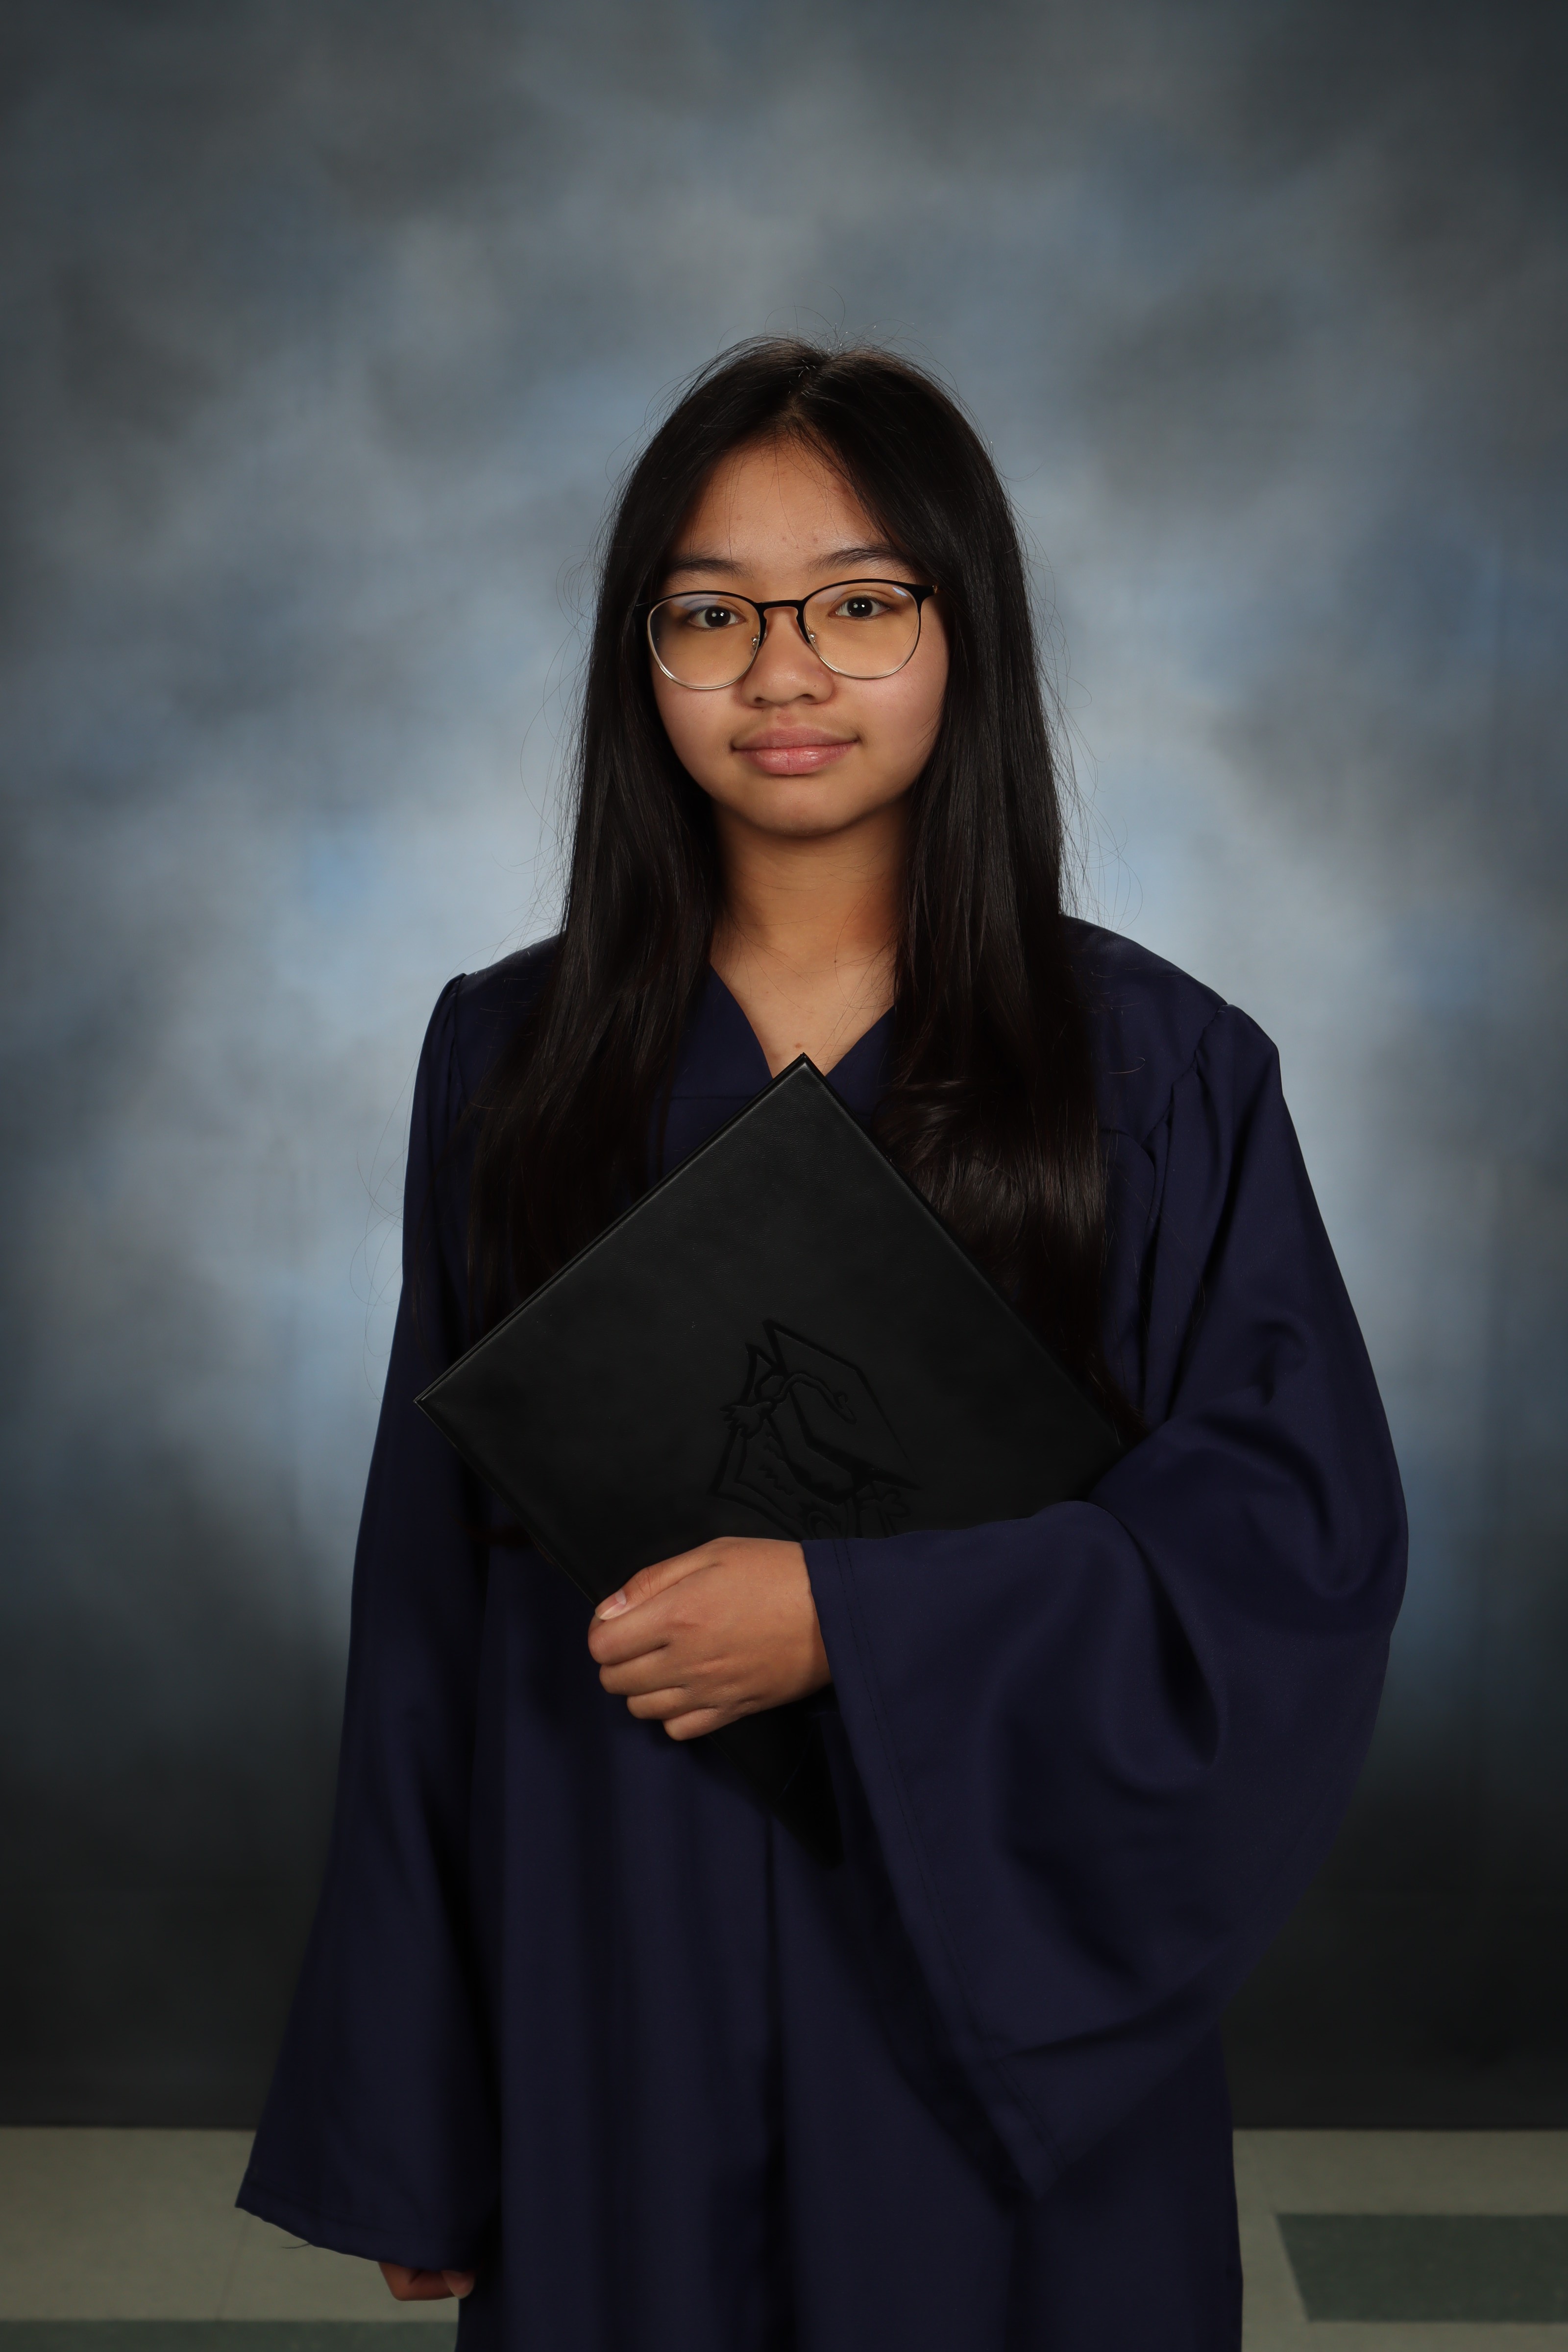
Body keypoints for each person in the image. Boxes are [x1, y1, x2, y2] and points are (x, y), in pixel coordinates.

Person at [237, 340, 1406, 2351]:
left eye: (859, 604)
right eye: (712, 615)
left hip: (985, 1985)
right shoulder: (511, 1061)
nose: (782, 673)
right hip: (612, 1930)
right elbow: (425, 1591)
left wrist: (854, 1624)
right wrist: (420, 2107)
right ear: (643, 660)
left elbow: (1286, 1550)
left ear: (964, 634)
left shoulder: (1154, 1073)